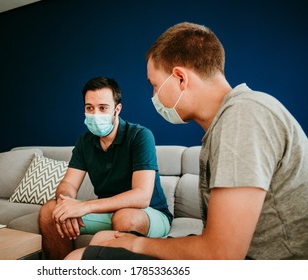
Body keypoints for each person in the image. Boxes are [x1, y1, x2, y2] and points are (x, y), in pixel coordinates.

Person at [66, 22, 308, 260]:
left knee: (77, 260)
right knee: (97, 244)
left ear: (180, 78)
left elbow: (221, 254)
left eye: (155, 85)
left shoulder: (242, 116)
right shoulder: (230, 120)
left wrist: (138, 244)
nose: (154, 96)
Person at [38, 76, 173, 260]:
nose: (95, 114)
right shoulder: (85, 141)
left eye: (103, 108)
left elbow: (142, 196)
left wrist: (85, 206)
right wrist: (66, 204)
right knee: (50, 212)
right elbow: (68, 183)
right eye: (89, 108)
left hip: (149, 213)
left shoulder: (140, 136)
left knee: (125, 217)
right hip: (108, 212)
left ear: (117, 109)